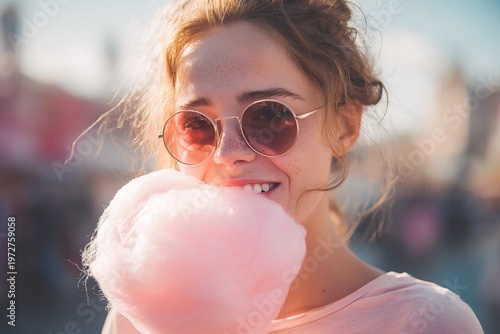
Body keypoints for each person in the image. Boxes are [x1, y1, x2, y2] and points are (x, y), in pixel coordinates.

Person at [100, 0, 483, 332]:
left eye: (268, 117)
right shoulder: (139, 315)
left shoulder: (426, 322)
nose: (227, 153)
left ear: (344, 126)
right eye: (197, 126)